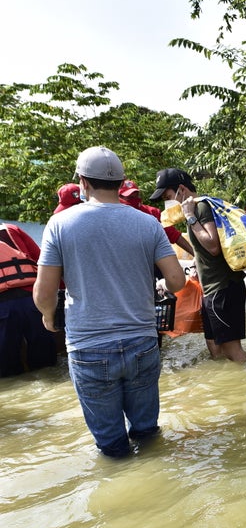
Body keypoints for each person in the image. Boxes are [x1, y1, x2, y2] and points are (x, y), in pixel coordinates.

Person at [33, 146, 186, 457]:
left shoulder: (60, 225)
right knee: (147, 434)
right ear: (121, 183)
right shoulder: (148, 223)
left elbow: (44, 293)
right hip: (142, 341)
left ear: (82, 182)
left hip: (89, 347)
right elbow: (177, 281)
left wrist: (49, 317)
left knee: (112, 446)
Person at [149, 168, 246, 363]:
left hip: (222, 289)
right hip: (211, 290)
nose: (166, 203)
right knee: (215, 350)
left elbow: (212, 246)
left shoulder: (200, 208)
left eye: (167, 196)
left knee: (232, 351)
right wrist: (197, 262)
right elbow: (208, 249)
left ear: (181, 189)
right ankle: (228, 391)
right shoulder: (195, 209)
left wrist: (190, 217)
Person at [0, 222, 57, 377]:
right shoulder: (11, 229)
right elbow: (41, 258)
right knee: (47, 363)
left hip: (3, 308)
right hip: (31, 300)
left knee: (7, 369)